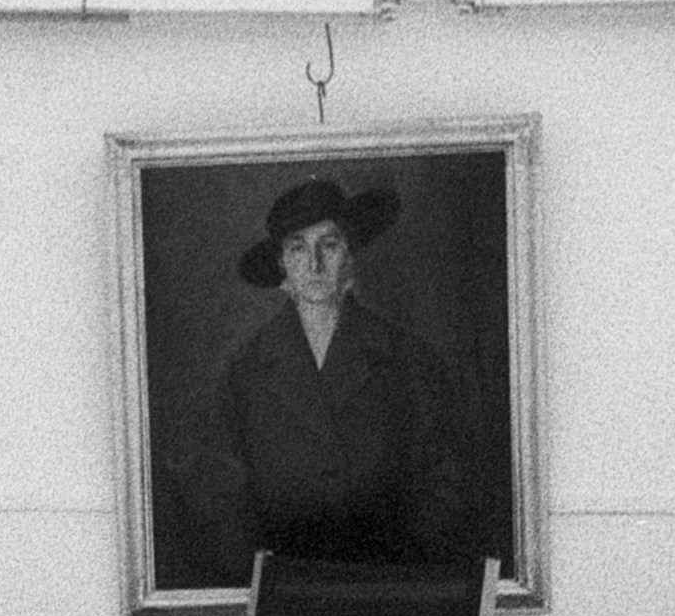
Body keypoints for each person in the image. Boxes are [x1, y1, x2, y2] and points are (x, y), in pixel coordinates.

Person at [190, 177, 470, 581]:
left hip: (387, 581)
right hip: (285, 585)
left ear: (351, 257)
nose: (315, 264)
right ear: (282, 265)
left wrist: (397, 568)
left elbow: (445, 481)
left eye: (330, 244)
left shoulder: (410, 359)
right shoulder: (246, 368)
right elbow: (223, 493)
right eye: (298, 247)